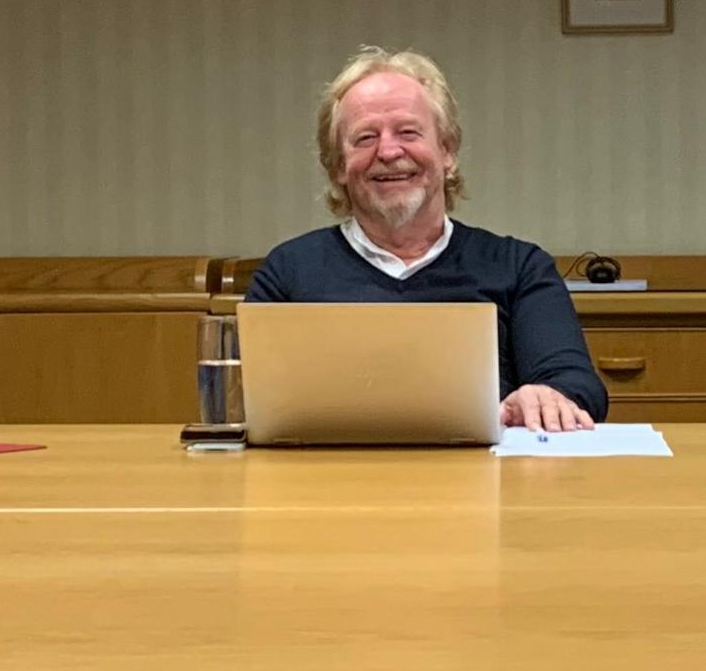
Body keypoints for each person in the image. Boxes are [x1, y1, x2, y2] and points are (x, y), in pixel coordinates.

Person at [246, 47, 606, 432]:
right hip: (336, 484)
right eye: (365, 138)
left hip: (484, 484)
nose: (387, 151)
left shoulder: (518, 266)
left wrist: (548, 394)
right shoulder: (288, 272)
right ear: (338, 168)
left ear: (447, 151)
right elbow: (246, 399)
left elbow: (578, 385)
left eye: (408, 132)